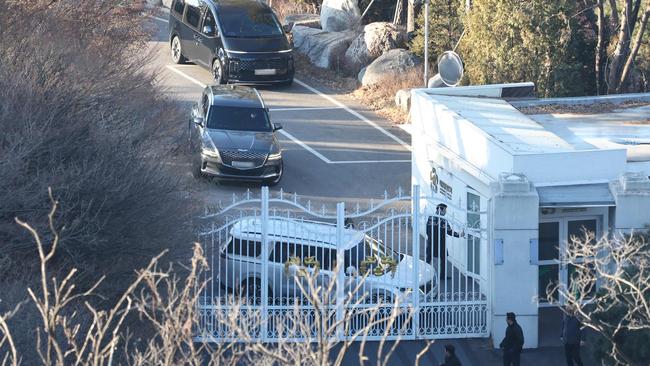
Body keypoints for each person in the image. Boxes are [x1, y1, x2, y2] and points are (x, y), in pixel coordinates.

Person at [426, 204, 464, 280]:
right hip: (440, 244)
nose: (446, 212)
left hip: (431, 243)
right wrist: (459, 235)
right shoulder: (443, 220)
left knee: (428, 260)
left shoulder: (430, 218)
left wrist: (431, 237)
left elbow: (427, 230)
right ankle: (442, 276)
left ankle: (425, 275)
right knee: (443, 260)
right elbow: (449, 231)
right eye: (445, 210)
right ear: (440, 210)